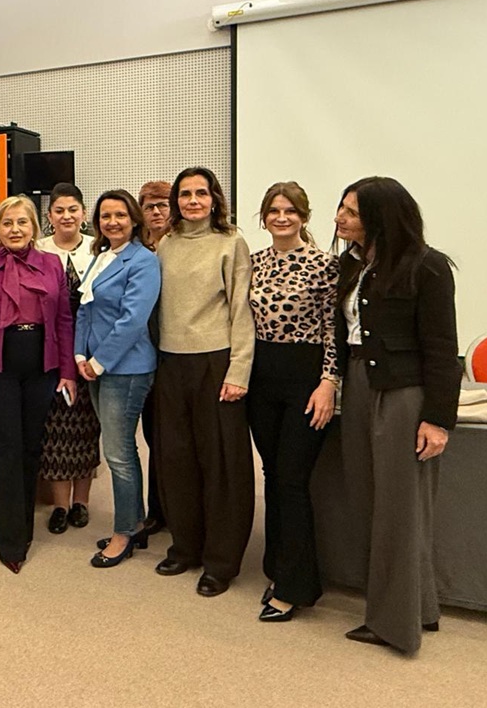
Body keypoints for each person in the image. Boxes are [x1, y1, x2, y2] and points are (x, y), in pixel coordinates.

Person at [334, 176, 457, 653]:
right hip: (360, 385)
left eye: (352, 212)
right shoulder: (352, 264)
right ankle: (419, 608)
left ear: (380, 219)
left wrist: (438, 419)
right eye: (342, 208)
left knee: (399, 510)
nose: (340, 218)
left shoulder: (427, 266)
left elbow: (442, 349)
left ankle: (395, 625)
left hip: (403, 394)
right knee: (369, 500)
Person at [153, 167, 255, 597]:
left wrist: (239, 371)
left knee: (221, 467)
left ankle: (220, 562)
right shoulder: (166, 244)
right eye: (185, 194)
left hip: (216, 362)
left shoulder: (231, 243)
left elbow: (242, 310)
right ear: (176, 201)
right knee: (176, 461)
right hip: (171, 363)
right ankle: (185, 547)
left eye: (201, 193)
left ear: (214, 199)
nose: (192, 201)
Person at [0, 195, 76, 574]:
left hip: (42, 363)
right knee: (7, 450)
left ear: (34, 227)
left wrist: (67, 371)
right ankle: (11, 542)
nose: (15, 229)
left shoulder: (52, 263)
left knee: (31, 448)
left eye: (22, 222)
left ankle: (25, 527)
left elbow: (64, 320)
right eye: (7, 223)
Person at [247, 182, 339, 622]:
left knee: (291, 480)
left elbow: (333, 330)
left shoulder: (325, 265)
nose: (281, 218)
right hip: (262, 377)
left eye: (290, 211)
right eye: (274, 211)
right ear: (263, 217)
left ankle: (297, 586)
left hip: (306, 378)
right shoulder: (254, 262)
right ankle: (278, 566)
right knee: (272, 474)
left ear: (304, 216)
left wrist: (329, 382)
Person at [76, 189, 161, 568]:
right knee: (119, 448)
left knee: (118, 452)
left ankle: (124, 532)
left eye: (120, 215)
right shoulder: (100, 257)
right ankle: (136, 522)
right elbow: (84, 309)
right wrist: (80, 354)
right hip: (94, 365)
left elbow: (133, 320)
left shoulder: (143, 261)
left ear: (134, 220)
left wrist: (99, 362)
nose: (112, 222)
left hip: (126, 369)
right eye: (105, 216)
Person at [34, 182, 100, 534]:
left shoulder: (98, 247)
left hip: (91, 351)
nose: (66, 216)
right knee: (55, 429)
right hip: (51, 349)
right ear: (49, 216)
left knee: (87, 428)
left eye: (73, 209)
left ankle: (81, 502)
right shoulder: (38, 250)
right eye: (59, 210)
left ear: (83, 213)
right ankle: (60, 505)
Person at [136, 180, 173, 539]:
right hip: (142, 355)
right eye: (150, 206)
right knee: (152, 436)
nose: (157, 212)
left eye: (164, 205)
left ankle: (178, 509)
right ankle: (157, 510)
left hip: (177, 355)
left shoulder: (181, 245)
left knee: (173, 437)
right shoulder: (135, 248)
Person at [138, 181, 172, 251]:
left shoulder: (184, 242)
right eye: (149, 207)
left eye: (162, 205)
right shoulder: (135, 247)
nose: (156, 212)